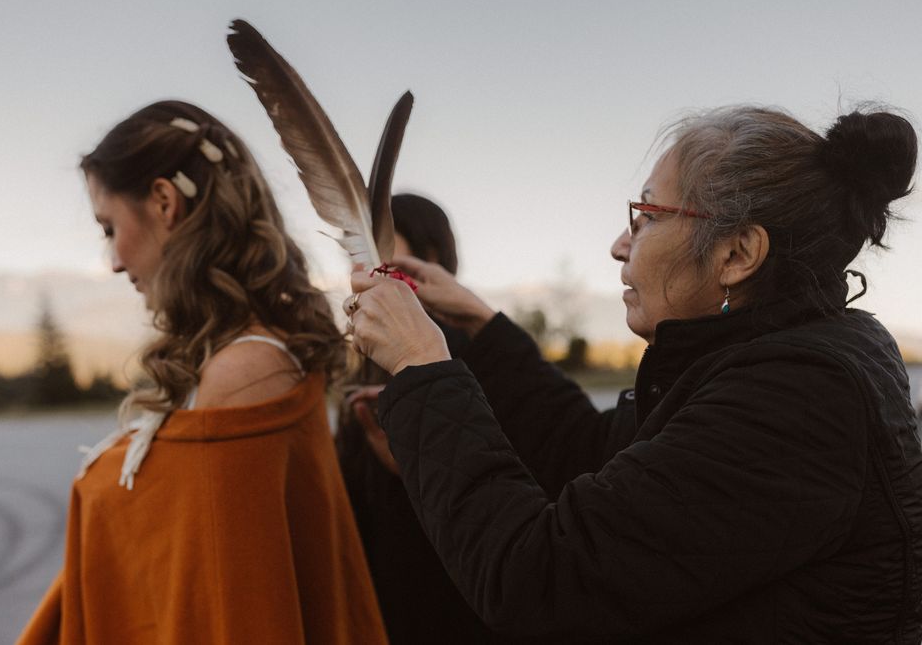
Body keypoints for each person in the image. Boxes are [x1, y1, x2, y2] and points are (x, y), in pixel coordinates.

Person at [347, 106, 922, 642]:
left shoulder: (800, 402)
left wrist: (423, 366)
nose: (620, 245)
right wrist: (482, 321)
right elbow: (590, 451)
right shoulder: (759, 360)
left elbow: (541, 582)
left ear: (737, 254)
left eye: (647, 215)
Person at [17, 100, 388, 645]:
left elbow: (233, 604)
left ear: (164, 201)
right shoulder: (237, 357)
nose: (114, 260)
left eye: (108, 226)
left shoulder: (246, 371)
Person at [337, 193, 502, 644]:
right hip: (378, 586)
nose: (364, 270)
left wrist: (414, 455)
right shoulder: (361, 358)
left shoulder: (467, 356)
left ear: (427, 259)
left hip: (445, 596)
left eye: (382, 252)